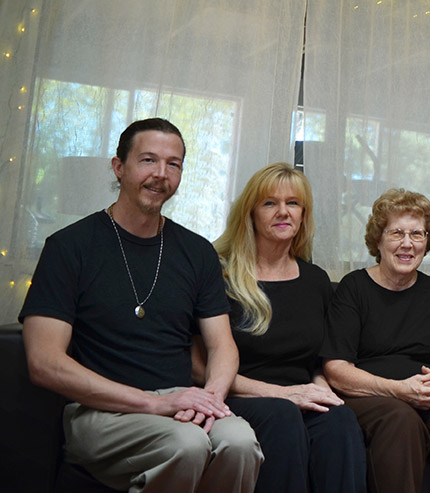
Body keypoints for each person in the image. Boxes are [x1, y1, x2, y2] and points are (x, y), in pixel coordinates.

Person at [19, 118, 262, 492]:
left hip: (179, 402)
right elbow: (44, 363)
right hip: (100, 411)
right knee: (187, 444)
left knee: (241, 442)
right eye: (148, 160)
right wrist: (153, 405)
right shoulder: (69, 247)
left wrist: (210, 398)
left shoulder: (197, 252)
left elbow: (222, 345)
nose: (161, 174)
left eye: (173, 164)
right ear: (119, 167)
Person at [203, 162, 365, 493]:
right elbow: (196, 365)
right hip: (238, 396)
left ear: (303, 215)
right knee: (282, 415)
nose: (283, 212)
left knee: (340, 418)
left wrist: (322, 390)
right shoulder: (219, 275)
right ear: (250, 214)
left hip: (298, 398)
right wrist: (284, 394)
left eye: (293, 203)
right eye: (269, 203)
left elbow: (318, 361)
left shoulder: (315, 280)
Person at [322, 188, 430, 493]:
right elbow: (336, 370)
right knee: (401, 417)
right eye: (397, 233)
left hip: (422, 394)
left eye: (417, 234)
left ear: (427, 242)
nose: (407, 243)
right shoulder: (354, 288)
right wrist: (398, 390)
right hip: (369, 396)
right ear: (378, 239)